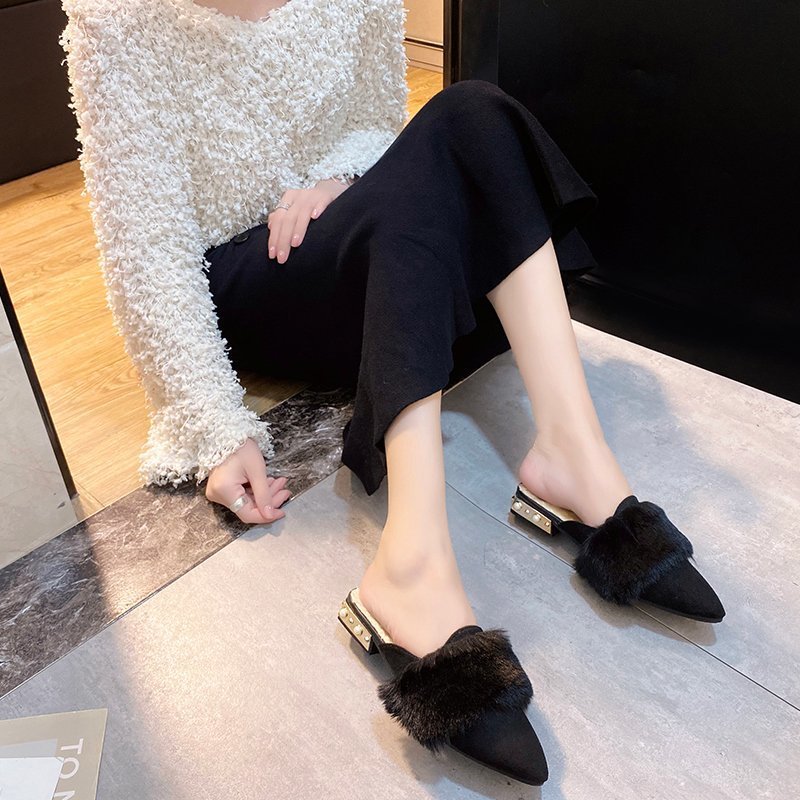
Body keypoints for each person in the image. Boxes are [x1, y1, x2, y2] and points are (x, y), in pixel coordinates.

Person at [60, 0, 725, 786]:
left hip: (357, 230)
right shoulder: (117, 20)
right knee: (426, 186)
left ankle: (571, 455)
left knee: (471, 110)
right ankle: (412, 561)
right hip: (246, 276)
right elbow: (144, 245)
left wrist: (338, 179)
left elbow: (378, 122)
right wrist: (210, 421)